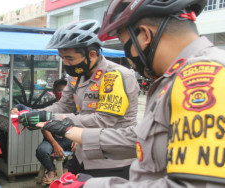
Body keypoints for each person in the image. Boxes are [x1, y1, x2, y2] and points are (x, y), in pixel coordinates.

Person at [37, 0, 225, 187]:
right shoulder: (174, 77)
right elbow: (139, 137)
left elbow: (194, 184)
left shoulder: (204, 78)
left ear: (144, 35)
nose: (127, 54)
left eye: (124, 42)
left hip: (111, 165)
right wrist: (68, 130)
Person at [12, 19, 139, 179]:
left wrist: (47, 118)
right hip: (82, 155)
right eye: (62, 58)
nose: (65, 64)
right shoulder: (76, 76)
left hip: (112, 162)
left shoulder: (116, 76)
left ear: (92, 55)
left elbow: (104, 120)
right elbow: (62, 107)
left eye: (70, 58)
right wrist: (32, 113)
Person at [35, 78, 72, 184]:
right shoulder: (47, 108)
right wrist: (54, 144)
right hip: (51, 140)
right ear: (54, 91)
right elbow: (44, 129)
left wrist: (77, 141)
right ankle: (52, 171)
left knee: (81, 149)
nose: (62, 94)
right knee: (41, 151)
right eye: (60, 91)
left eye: (65, 91)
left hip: (69, 139)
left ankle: (65, 169)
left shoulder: (73, 107)